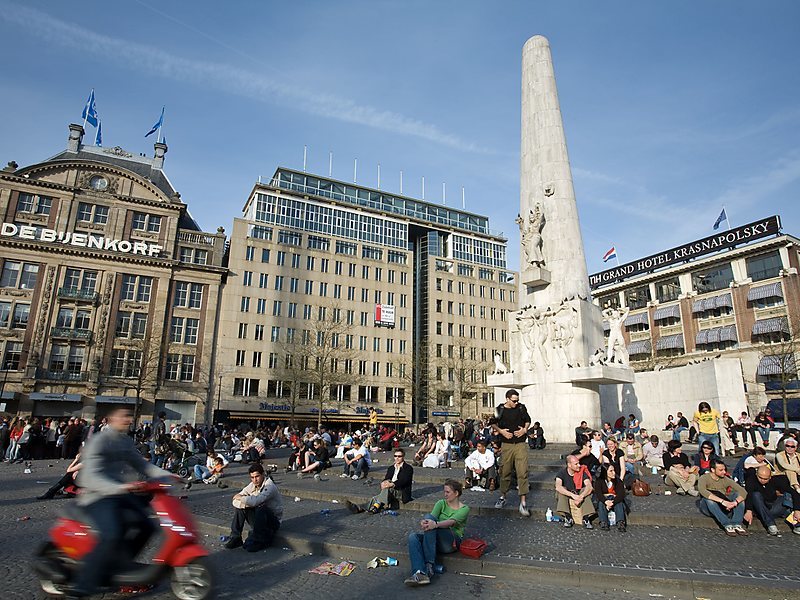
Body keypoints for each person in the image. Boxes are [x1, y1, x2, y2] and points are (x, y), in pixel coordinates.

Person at [69, 407, 172, 598]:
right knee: (112, 533)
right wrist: (121, 488)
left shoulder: (124, 440)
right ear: (111, 419)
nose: (127, 420)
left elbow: (141, 464)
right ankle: (84, 583)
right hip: (96, 496)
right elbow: (90, 477)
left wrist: (168, 475)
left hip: (118, 493)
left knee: (147, 525)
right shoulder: (99, 441)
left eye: (129, 417)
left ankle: (122, 565)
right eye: (123, 416)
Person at [404, 479, 469, 587]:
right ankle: (420, 573)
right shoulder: (441, 503)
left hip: (451, 541)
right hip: (435, 538)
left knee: (432, 524)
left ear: (456, 493)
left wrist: (435, 524)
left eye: (448, 492)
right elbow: (431, 518)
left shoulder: (464, 509)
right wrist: (425, 522)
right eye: (444, 492)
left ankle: (429, 565)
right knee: (413, 537)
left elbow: (451, 522)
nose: (445, 495)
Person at [225, 463, 283, 552]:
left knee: (261, 507)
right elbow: (235, 500)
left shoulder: (269, 486)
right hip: (258, 519)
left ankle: (259, 541)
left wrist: (244, 500)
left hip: (272, 521)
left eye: (257, 476)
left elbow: (256, 501)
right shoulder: (252, 485)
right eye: (252, 477)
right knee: (241, 508)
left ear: (263, 474)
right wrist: (246, 503)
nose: (255, 480)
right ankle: (236, 537)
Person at [491, 389, 531, 516]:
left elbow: (528, 420)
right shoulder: (500, 409)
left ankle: (523, 503)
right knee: (505, 471)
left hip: (520, 444)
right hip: (506, 445)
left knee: (522, 471)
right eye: (514, 401)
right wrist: (501, 431)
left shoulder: (521, 408)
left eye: (517, 400)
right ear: (507, 399)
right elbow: (492, 423)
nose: (516, 402)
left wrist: (524, 430)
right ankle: (503, 496)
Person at [744, 465, 800, 536]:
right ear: (756, 474)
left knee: (788, 496)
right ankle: (771, 524)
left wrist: (797, 510)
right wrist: (748, 510)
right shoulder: (751, 480)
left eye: (765, 479)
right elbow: (749, 494)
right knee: (756, 495)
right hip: (760, 508)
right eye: (760, 477)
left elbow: (794, 493)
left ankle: (796, 522)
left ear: (770, 477)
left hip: (773, 505)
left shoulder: (775, 480)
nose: (762, 480)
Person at [698, 459, 748, 536]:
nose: (724, 472)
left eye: (724, 469)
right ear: (712, 470)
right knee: (709, 499)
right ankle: (726, 524)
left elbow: (743, 491)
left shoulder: (725, 479)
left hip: (724, 507)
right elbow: (703, 491)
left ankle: (736, 523)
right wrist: (723, 502)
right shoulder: (704, 478)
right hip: (708, 507)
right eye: (721, 470)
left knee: (738, 494)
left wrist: (735, 502)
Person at [358, 448, 414, 514]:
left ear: (403, 457)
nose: (397, 458)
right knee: (382, 493)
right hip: (390, 489)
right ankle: (366, 507)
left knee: (387, 490)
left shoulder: (408, 468)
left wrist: (392, 484)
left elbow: (404, 481)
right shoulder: (391, 468)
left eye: (399, 456)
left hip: (401, 491)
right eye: (395, 456)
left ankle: (373, 507)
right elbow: (387, 478)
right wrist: (384, 483)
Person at [555, 454, 594, 528]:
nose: (579, 465)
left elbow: (589, 486)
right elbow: (558, 486)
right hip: (569, 494)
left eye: (578, 463)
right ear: (569, 465)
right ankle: (568, 517)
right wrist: (572, 495)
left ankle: (586, 518)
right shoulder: (562, 473)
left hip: (579, 494)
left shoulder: (582, 472)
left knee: (585, 490)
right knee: (562, 491)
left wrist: (581, 496)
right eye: (576, 464)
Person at [594, 464, 627, 532]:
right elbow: (599, 494)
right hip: (604, 500)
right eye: (611, 471)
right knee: (601, 503)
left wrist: (612, 502)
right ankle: (603, 522)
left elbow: (621, 494)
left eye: (614, 470)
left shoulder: (618, 481)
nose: (613, 473)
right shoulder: (599, 481)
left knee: (619, 503)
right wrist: (606, 501)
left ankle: (620, 522)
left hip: (614, 500)